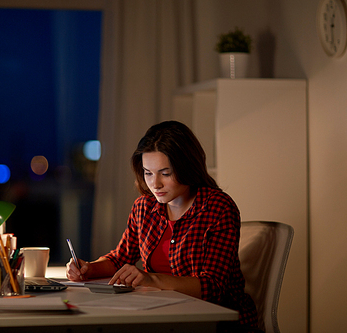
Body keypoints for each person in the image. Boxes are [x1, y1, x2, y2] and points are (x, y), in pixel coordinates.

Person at [66, 120, 259, 332]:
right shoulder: (144, 206)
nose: (155, 184)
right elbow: (120, 258)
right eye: (148, 173)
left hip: (215, 321)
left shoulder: (217, 207)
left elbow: (213, 287)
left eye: (165, 173)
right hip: (163, 315)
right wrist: (88, 269)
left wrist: (152, 279)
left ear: (188, 166)